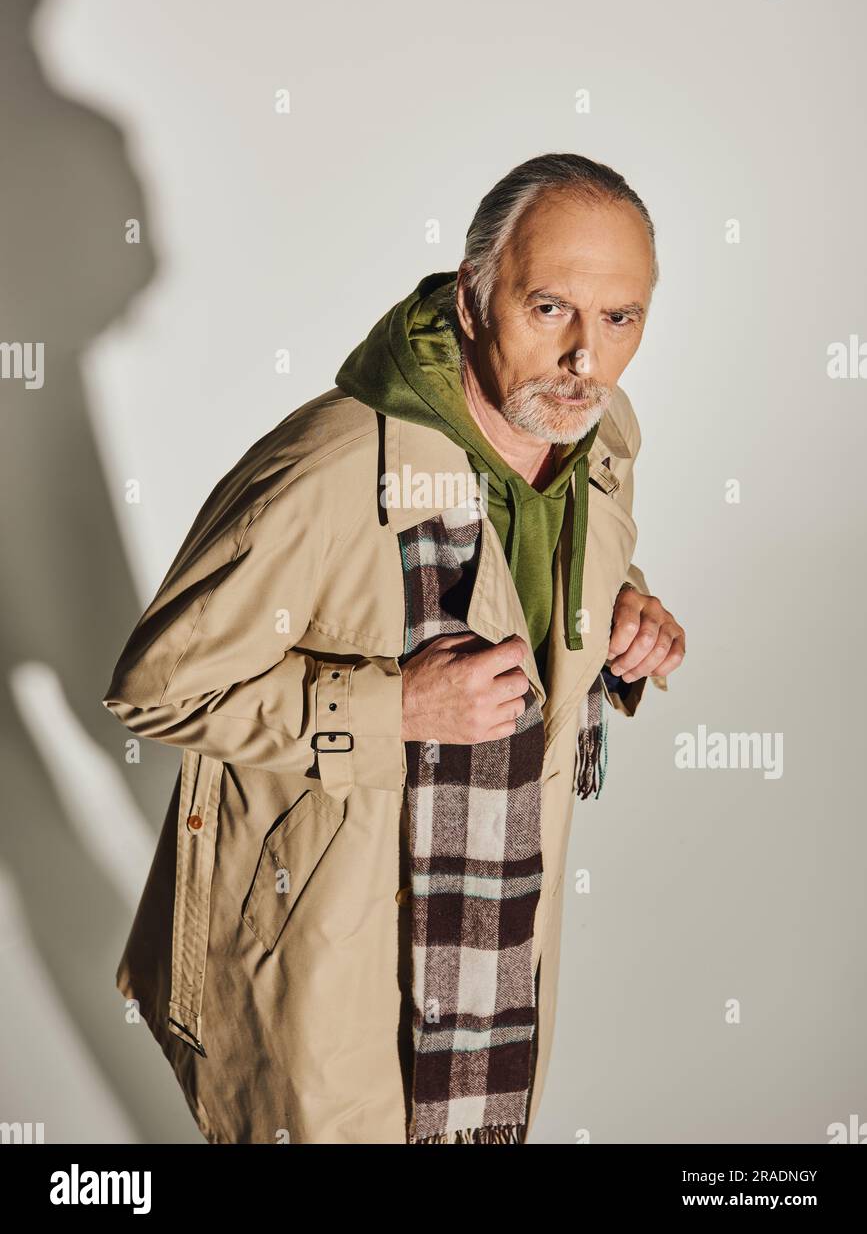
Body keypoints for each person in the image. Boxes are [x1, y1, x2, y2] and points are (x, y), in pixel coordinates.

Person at [102, 151, 685, 1144]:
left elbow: (539, 566)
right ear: (472, 298)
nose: (587, 358)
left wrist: (629, 610)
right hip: (321, 974)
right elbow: (157, 688)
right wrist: (395, 710)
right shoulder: (330, 466)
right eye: (549, 309)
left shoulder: (599, 434)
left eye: (620, 318)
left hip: (496, 960)